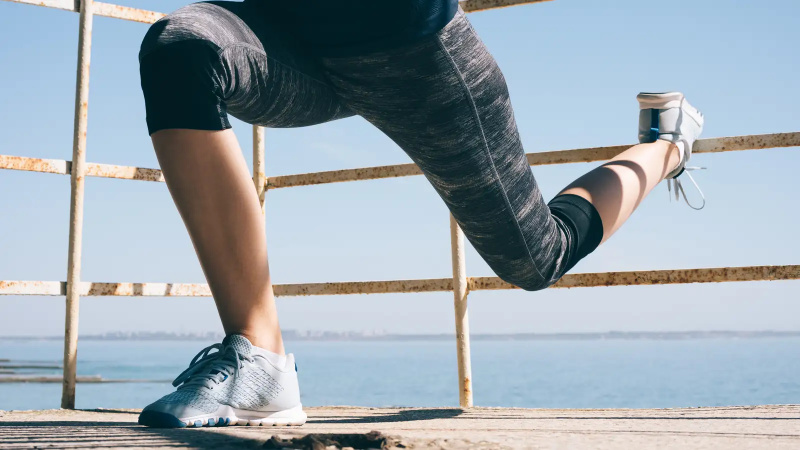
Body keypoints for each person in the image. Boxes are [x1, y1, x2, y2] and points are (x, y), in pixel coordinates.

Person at [135, 0, 704, 428]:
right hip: (288, 44)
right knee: (179, 48)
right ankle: (260, 362)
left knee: (535, 259)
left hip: (421, 57)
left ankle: (666, 147)